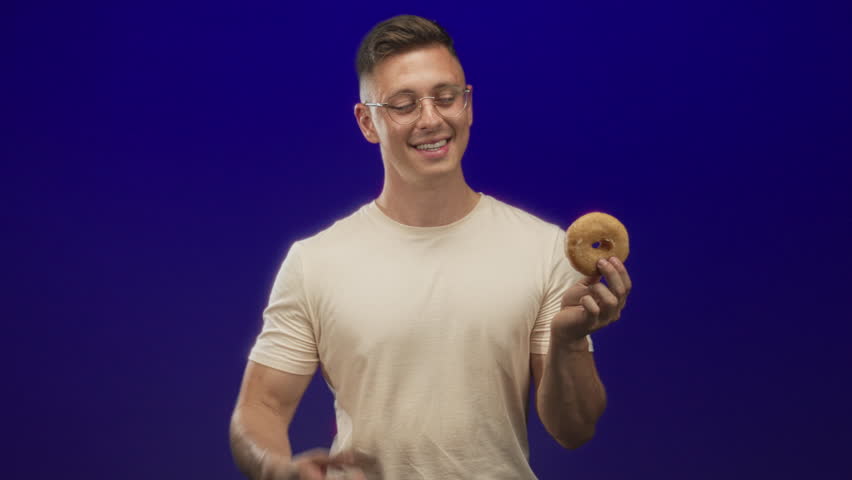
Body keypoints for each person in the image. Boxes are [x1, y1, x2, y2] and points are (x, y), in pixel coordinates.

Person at [229, 14, 632, 480]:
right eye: (403, 105)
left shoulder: (543, 249)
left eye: (445, 97)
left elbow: (574, 429)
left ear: (468, 105)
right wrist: (277, 469)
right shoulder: (315, 262)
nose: (431, 119)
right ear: (367, 122)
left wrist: (569, 341)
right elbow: (260, 406)